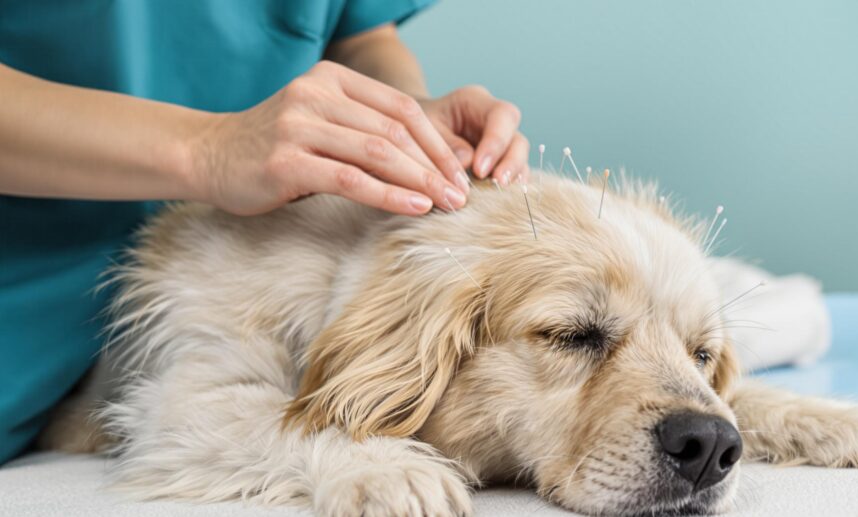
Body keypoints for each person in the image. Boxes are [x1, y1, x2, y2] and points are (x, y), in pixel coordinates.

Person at [0, 0, 529, 464]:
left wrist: (405, 123)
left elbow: (363, 34)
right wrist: (207, 149)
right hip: (26, 317)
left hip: (240, 283)